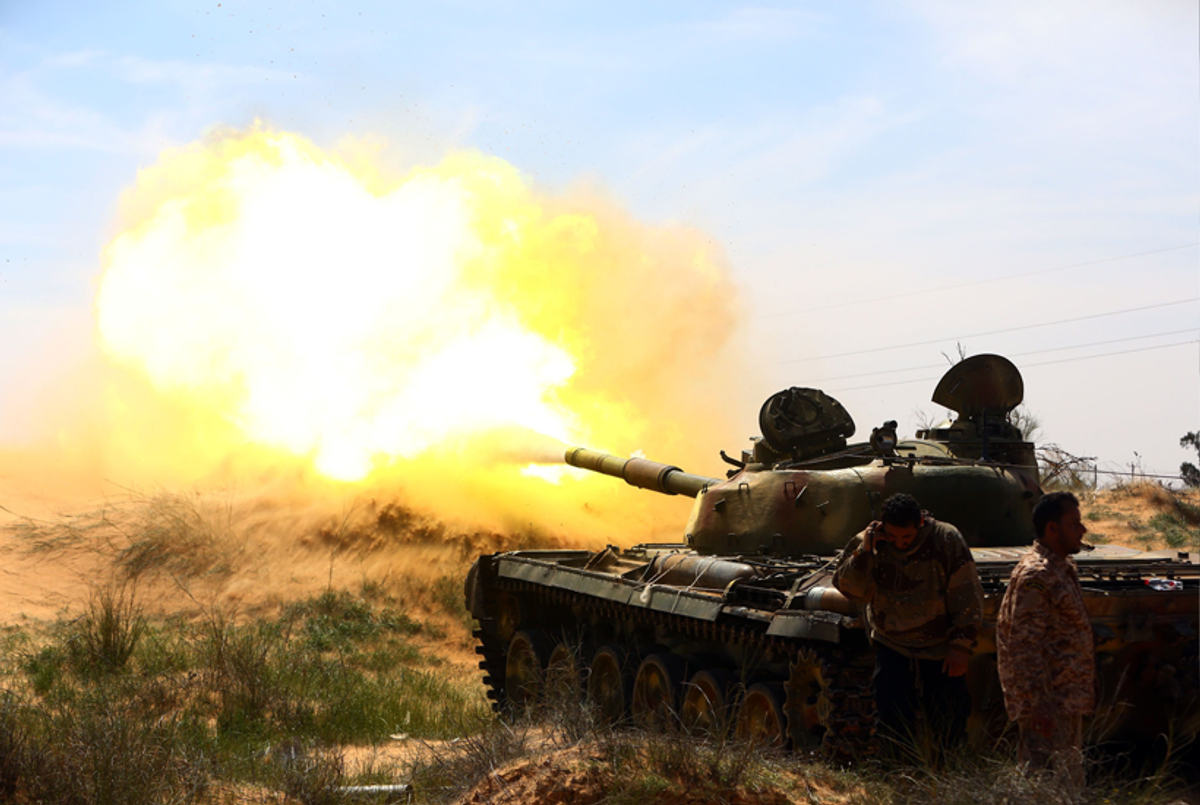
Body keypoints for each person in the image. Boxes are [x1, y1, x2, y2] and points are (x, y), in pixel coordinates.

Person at [833, 492, 984, 755]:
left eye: (907, 537)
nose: (899, 543)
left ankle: (948, 775)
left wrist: (961, 646)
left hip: (940, 646)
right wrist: (865, 552)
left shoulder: (945, 539)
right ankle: (898, 778)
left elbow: (966, 593)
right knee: (892, 718)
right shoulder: (868, 542)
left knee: (949, 717)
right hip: (892, 644)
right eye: (893, 537)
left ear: (921, 524)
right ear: (882, 527)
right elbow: (850, 589)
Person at [996, 491, 1094, 793]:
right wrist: (1038, 703)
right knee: (1040, 785)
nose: (1083, 530)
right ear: (1052, 529)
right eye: (1074, 523)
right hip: (1048, 703)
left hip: (1064, 698)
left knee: (1063, 784)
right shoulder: (1037, 574)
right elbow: (1024, 644)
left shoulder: (1059, 568)